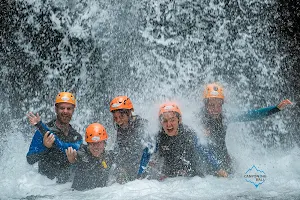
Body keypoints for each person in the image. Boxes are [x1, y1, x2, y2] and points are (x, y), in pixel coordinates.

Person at [201, 82, 292, 173]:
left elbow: (252, 114)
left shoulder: (225, 117)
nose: (216, 109)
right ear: (205, 105)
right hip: (208, 163)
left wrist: (276, 108)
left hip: (223, 160)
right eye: (212, 105)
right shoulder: (198, 121)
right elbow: (200, 146)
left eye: (219, 105)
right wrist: (217, 168)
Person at [139, 102, 227, 180]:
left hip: (192, 177)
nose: (169, 124)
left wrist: (218, 168)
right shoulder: (158, 137)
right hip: (169, 177)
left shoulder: (188, 134)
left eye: (172, 120)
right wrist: (140, 175)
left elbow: (204, 150)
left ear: (179, 120)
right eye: (165, 121)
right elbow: (146, 155)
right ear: (161, 123)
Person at [26, 92, 83, 183]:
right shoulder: (41, 133)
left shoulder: (77, 137)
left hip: (67, 188)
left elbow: (81, 162)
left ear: (73, 110)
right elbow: (30, 159)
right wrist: (45, 147)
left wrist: (74, 160)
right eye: (62, 108)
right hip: (45, 186)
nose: (65, 111)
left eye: (69, 108)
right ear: (56, 109)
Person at [109, 95, 148, 183]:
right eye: (115, 118)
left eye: (121, 116)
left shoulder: (141, 125)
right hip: (131, 166)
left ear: (129, 113)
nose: (118, 120)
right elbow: (119, 151)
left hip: (144, 166)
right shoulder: (121, 128)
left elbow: (148, 150)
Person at [66, 123, 114, 191]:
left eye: (99, 143)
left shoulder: (109, 156)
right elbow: (78, 156)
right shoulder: (82, 154)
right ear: (88, 144)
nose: (96, 146)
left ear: (104, 143)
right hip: (78, 194)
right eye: (92, 143)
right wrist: (73, 160)